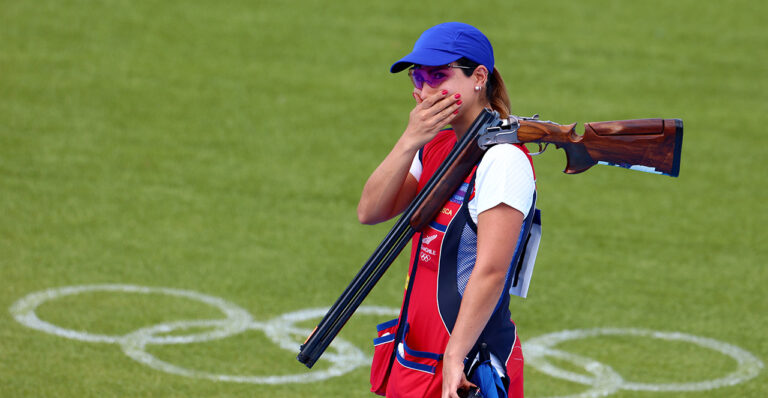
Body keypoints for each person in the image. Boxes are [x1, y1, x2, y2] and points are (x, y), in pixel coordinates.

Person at [358, 22, 537, 398]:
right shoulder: (438, 144)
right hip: (418, 358)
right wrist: (409, 141)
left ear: (479, 78)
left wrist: (455, 356)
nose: (424, 90)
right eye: (418, 76)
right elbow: (370, 210)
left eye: (439, 75)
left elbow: (490, 270)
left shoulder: (504, 160)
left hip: (465, 366)